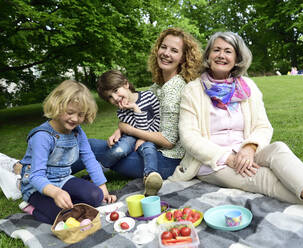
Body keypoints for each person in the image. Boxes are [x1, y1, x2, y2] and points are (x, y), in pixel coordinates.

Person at [168, 31, 303, 233]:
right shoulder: (193, 90)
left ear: (237, 58)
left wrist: (249, 147)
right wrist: (227, 157)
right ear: (208, 56)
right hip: (212, 162)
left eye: (228, 51)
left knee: (279, 149)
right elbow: (189, 137)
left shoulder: (248, 87)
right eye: (217, 50)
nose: (222, 55)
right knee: (266, 178)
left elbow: (263, 126)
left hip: (245, 151)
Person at [74, 27, 202, 196]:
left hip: (167, 161)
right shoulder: (159, 85)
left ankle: (47, 174)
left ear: (183, 58)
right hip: (155, 151)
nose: (166, 53)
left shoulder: (173, 89)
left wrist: (128, 129)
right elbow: (148, 116)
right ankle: (48, 172)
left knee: (90, 147)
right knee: (94, 146)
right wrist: (119, 129)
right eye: (164, 47)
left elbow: (169, 140)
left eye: (174, 50)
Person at [18, 80, 116, 224]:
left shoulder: (77, 132)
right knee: (64, 216)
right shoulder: (42, 136)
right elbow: (36, 176)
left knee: (96, 197)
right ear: (57, 106)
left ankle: (65, 201)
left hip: (63, 179)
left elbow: (89, 158)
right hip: (37, 187)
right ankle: (32, 207)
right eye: (70, 112)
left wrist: (103, 190)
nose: (75, 119)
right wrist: (56, 193)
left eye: (81, 114)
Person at [94, 69, 161, 196]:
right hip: (132, 137)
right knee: (120, 149)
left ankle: (150, 178)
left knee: (149, 149)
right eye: (109, 97)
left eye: (115, 91)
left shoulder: (149, 97)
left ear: (126, 84)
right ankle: (98, 170)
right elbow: (132, 130)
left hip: (150, 135)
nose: (114, 98)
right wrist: (121, 129)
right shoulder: (121, 111)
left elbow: (158, 121)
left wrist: (135, 108)